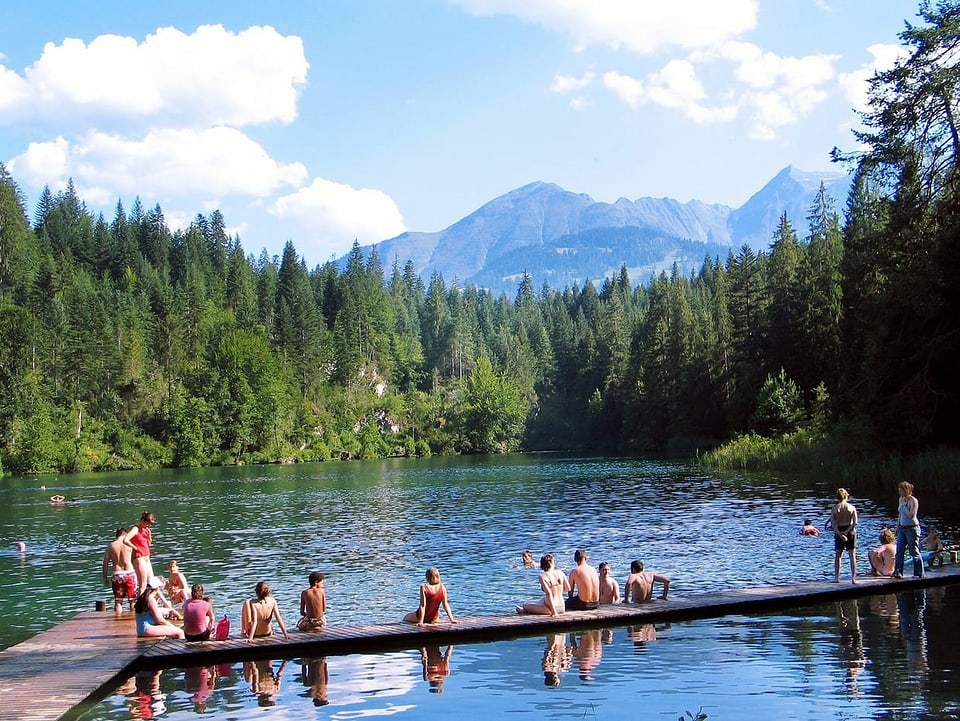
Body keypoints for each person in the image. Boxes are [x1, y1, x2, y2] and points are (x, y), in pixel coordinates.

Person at [103, 526, 136, 612]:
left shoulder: (111, 546)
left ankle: (118, 620)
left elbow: (105, 563)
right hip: (129, 573)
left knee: (118, 601)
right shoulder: (129, 544)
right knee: (132, 600)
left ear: (116, 536)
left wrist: (105, 577)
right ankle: (133, 620)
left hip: (117, 574)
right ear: (125, 534)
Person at [894, 481, 923, 578]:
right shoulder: (901, 499)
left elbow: (911, 515)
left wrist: (904, 506)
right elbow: (900, 514)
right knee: (899, 550)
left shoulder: (913, 501)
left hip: (912, 529)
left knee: (913, 551)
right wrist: (897, 526)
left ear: (906, 490)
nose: (900, 492)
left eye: (901, 490)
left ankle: (919, 573)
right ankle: (898, 572)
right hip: (902, 528)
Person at [123, 512, 156, 594]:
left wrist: (150, 535)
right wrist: (134, 547)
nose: (148, 526)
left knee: (151, 582)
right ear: (142, 521)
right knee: (143, 585)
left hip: (146, 556)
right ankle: (139, 605)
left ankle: (146, 602)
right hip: (139, 557)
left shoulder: (146, 530)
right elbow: (125, 540)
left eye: (149, 524)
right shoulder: (136, 529)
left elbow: (148, 544)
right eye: (147, 524)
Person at [831, 488, 859, 584]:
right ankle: (853, 578)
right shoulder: (851, 508)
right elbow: (855, 523)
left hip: (839, 530)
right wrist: (847, 532)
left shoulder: (835, 509)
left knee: (838, 554)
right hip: (850, 531)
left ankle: (836, 577)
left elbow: (833, 525)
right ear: (846, 496)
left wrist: (840, 534)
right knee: (852, 555)